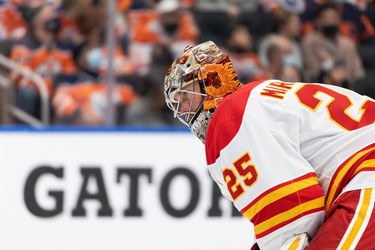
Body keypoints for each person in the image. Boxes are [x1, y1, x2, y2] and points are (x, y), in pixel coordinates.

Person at [163, 41, 375, 249]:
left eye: (185, 95)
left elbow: (295, 210)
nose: (182, 109)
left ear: (211, 79)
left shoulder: (231, 116)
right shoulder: (258, 98)